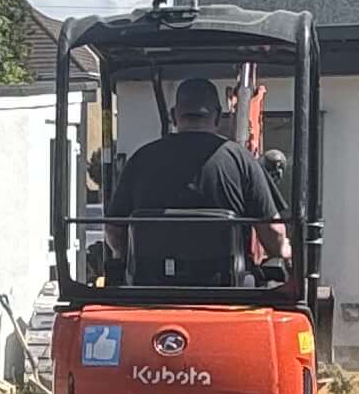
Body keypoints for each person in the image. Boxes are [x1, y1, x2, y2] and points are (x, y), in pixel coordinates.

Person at [104, 76, 286, 288]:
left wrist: (130, 257)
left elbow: (114, 231)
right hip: (228, 294)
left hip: (150, 289)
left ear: (174, 116)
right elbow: (274, 234)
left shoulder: (141, 160)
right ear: (218, 116)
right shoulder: (242, 161)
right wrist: (284, 250)